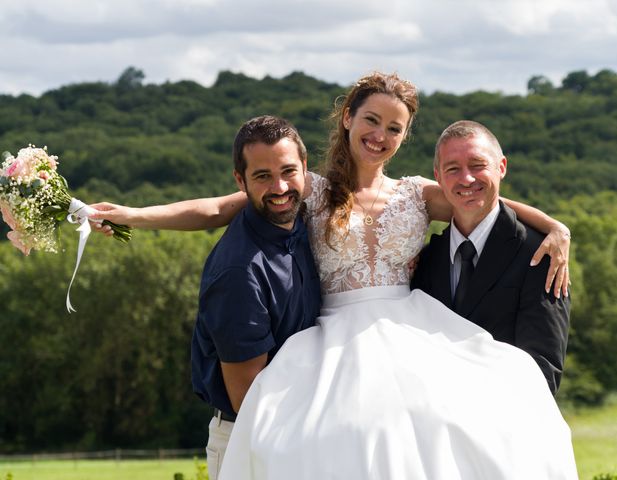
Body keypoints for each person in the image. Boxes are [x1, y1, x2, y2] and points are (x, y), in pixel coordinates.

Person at [92, 73, 577, 479]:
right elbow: (215, 209)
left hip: (414, 330)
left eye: (394, 127)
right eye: (371, 120)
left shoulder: (416, 194)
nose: (380, 135)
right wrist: (134, 215)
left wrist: (555, 226)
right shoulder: (309, 189)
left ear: (404, 136)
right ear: (348, 117)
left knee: (467, 419)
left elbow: (482, 195)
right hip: (333, 339)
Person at [190, 115, 321, 479]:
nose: (279, 187)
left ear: (305, 170)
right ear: (240, 180)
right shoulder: (239, 272)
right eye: (263, 176)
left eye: (288, 171)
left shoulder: (304, 223)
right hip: (254, 442)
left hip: (302, 432)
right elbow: (249, 400)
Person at [410, 120, 570, 395]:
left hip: (504, 422)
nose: (466, 179)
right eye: (453, 169)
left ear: (502, 167)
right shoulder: (426, 260)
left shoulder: (542, 254)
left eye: (477, 165)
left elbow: (543, 370)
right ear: (438, 177)